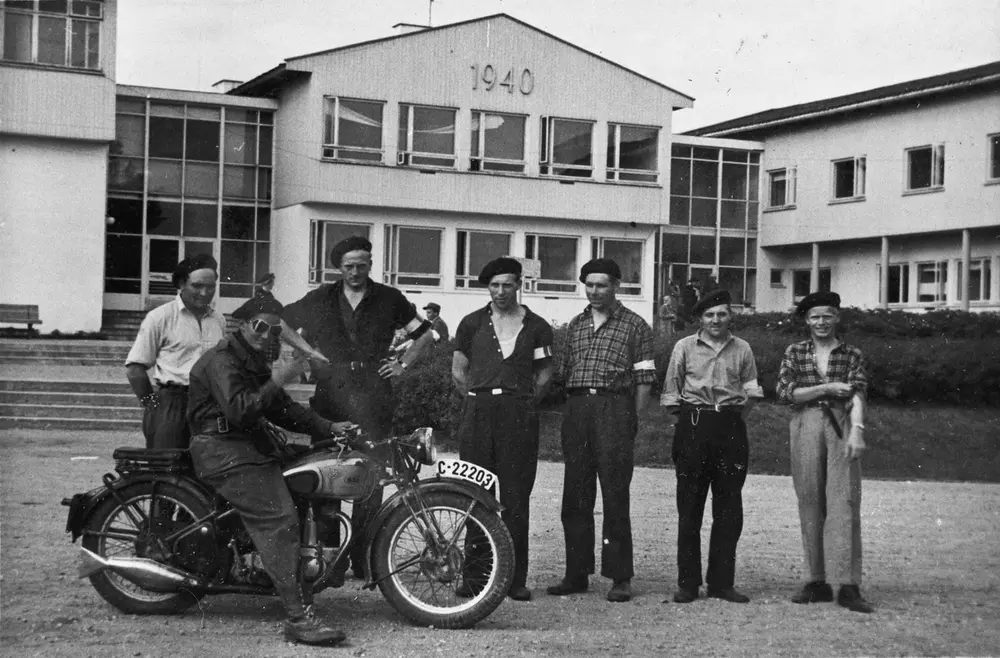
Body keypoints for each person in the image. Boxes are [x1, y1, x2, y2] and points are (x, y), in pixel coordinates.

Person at [187, 295, 354, 646]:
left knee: (308, 479)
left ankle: (290, 578)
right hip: (223, 451)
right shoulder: (222, 360)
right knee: (280, 519)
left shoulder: (251, 360)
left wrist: (329, 427)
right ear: (243, 325)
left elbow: (283, 409)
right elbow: (240, 411)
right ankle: (296, 618)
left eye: (274, 330)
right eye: (260, 326)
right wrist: (278, 377)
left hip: (249, 447)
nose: (267, 335)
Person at [282, 236, 434, 578]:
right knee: (327, 475)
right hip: (331, 395)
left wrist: (403, 365)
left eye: (362, 265)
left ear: (370, 264)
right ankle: (330, 561)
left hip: (374, 396)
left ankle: (364, 559)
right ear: (339, 267)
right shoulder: (320, 297)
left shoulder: (389, 298)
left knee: (372, 479)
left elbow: (425, 334)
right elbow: (279, 322)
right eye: (349, 266)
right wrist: (307, 353)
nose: (355, 272)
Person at [546, 258, 656, 603]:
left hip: (614, 410)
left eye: (602, 285)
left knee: (614, 494)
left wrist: (630, 420)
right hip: (578, 408)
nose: (594, 292)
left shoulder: (635, 325)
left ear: (616, 286)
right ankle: (576, 574)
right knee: (575, 495)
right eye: (589, 285)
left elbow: (644, 380)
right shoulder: (576, 325)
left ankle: (619, 576)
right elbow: (564, 373)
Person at [452, 258, 555, 602]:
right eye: (494, 285)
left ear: (518, 285)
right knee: (476, 493)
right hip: (479, 413)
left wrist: (525, 403)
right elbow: (458, 370)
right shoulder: (471, 323)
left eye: (507, 285)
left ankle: (514, 578)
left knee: (515, 496)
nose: (500, 292)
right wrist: (475, 400)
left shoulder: (537, 326)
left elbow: (544, 372)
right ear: (488, 287)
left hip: (518, 415)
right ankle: (475, 576)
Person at [660, 289, 764, 604]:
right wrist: (692, 421)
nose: (716, 320)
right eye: (709, 315)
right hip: (693, 426)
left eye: (721, 314)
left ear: (730, 315)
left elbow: (751, 393)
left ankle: (721, 583)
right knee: (690, 508)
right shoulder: (684, 347)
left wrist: (731, 418)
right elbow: (670, 394)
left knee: (729, 508)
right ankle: (688, 584)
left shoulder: (742, 348)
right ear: (700, 319)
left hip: (731, 429)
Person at [776, 292, 873, 614]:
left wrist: (857, 432)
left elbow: (857, 393)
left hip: (841, 424)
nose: (821, 322)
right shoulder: (795, 352)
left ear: (837, 318)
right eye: (815, 317)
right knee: (810, 501)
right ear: (806, 320)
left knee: (844, 502)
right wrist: (827, 388)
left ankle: (848, 584)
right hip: (805, 424)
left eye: (827, 316)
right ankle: (816, 581)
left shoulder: (851, 354)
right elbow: (787, 393)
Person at [125, 254, 227, 450]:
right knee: (167, 468)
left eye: (211, 287)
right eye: (197, 286)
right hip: (173, 404)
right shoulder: (160, 317)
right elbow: (135, 369)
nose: (205, 293)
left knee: (209, 468)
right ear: (181, 283)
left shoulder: (218, 320)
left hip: (210, 405)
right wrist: (153, 406)